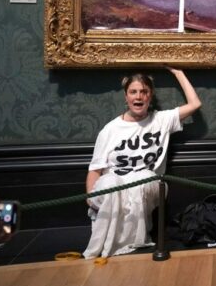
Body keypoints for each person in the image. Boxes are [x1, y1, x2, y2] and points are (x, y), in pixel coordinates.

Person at [83, 67, 202, 258]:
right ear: (126, 97)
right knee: (111, 183)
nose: (138, 96)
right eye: (133, 92)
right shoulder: (110, 130)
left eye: (144, 91)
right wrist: (90, 198)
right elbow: (95, 170)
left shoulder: (161, 120)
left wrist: (178, 72)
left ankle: (137, 241)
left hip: (146, 186)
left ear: (150, 96)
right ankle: (105, 245)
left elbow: (195, 104)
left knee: (143, 177)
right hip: (115, 186)